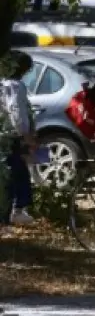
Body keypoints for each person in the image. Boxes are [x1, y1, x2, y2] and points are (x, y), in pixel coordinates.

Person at [1, 51, 36, 225]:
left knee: (12, 174)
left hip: (5, 135)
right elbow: (17, 112)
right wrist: (26, 135)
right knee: (17, 174)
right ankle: (15, 211)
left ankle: (13, 212)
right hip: (11, 137)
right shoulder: (15, 86)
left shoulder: (4, 84)